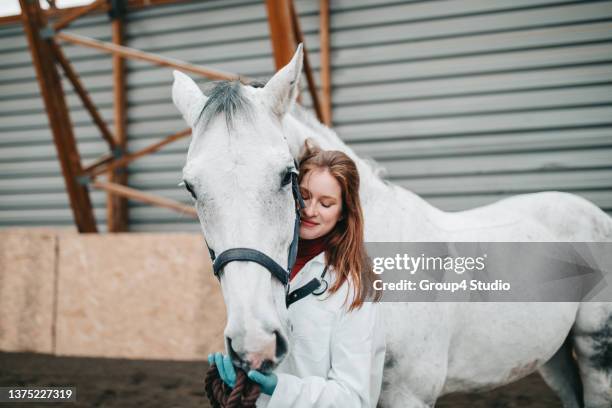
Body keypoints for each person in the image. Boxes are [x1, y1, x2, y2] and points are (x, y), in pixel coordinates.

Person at [208, 139, 386, 407]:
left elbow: (354, 398)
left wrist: (280, 389)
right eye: (303, 196)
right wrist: (242, 377)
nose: (310, 211)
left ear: (342, 213)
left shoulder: (355, 288)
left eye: (326, 203)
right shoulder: (264, 268)